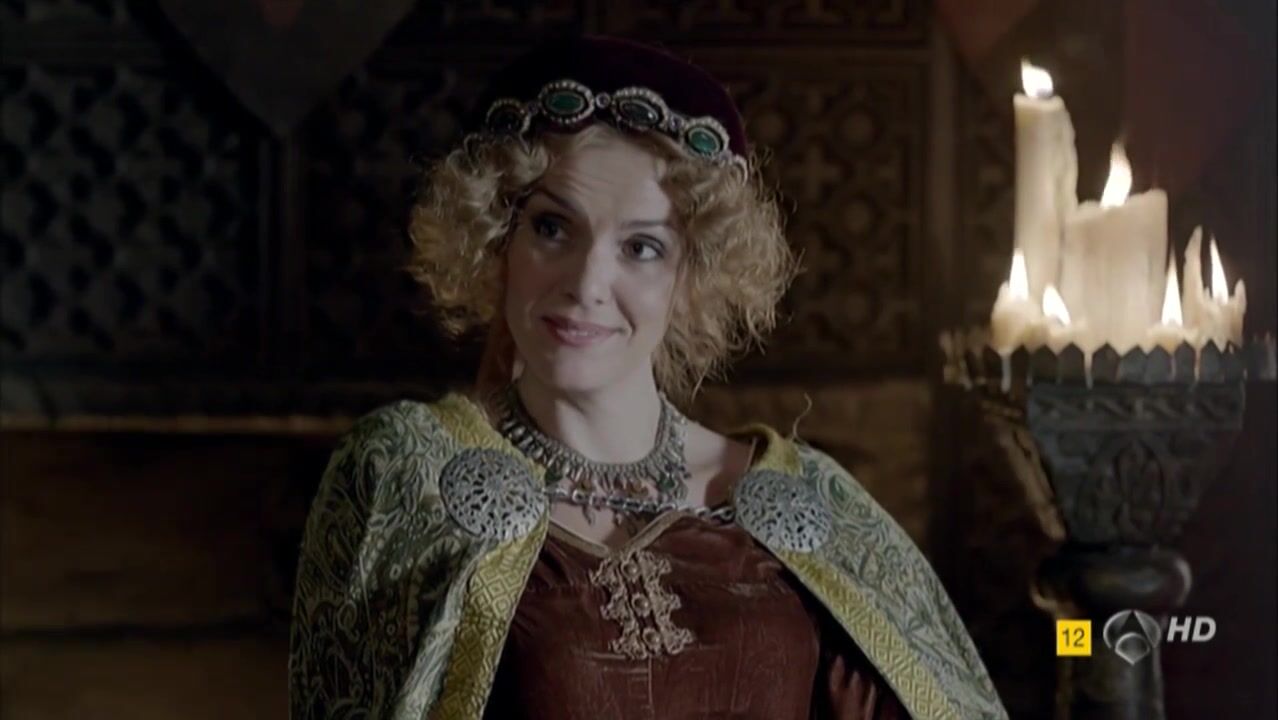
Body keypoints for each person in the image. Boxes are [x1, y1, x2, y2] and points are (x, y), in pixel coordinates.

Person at [288, 36, 1008, 720]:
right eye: (552, 228)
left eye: (641, 247)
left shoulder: (807, 498)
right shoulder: (408, 474)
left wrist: (1072, 638)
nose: (586, 285)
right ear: (498, 240)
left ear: (691, 276)